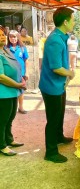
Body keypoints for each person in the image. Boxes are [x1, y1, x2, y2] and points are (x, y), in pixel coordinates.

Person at [39, 7, 75, 163]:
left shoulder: (61, 37)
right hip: (51, 87)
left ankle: (59, 136)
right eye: (73, 20)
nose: (74, 23)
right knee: (53, 118)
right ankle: (51, 152)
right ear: (65, 22)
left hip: (59, 86)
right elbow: (56, 67)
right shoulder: (55, 39)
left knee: (59, 114)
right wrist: (70, 73)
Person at [0, 26, 26, 156]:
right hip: (3, 92)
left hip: (13, 91)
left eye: (3, 34)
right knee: (3, 119)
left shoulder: (5, 50)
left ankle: (9, 139)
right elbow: (1, 76)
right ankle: (2, 145)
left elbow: (17, 65)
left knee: (11, 117)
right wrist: (17, 84)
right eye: (0, 35)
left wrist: (21, 78)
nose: (2, 37)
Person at [7, 30, 29, 114]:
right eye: (11, 37)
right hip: (10, 74)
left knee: (21, 90)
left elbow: (26, 60)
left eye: (14, 37)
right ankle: (12, 109)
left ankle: (21, 107)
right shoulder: (6, 48)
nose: (13, 39)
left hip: (21, 73)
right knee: (11, 90)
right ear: (8, 38)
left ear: (18, 37)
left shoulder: (22, 48)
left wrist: (27, 72)